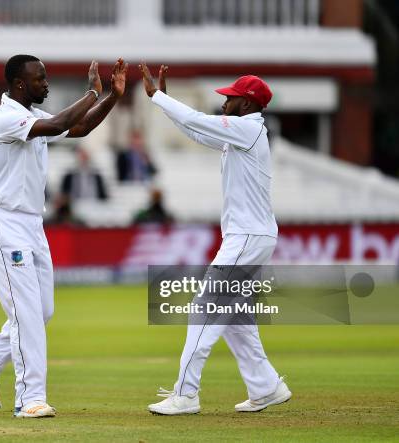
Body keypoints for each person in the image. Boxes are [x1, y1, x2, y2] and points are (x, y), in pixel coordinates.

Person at [0, 55, 127, 418]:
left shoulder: (33, 117)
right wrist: (90, 93)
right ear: (19, 84)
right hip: (3, 221)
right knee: (26, 314)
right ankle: (29, 398)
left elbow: (78, 128)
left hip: (31, 224)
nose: (46, 84)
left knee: (42, 311)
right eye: (40, 79)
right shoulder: (4, 117)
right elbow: (57, 125)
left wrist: (111, 97)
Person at [139, 64, 291, 415]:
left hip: (246, 237)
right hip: (251, 235)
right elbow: (195, 130)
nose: (224, 102)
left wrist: (157, 95)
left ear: (248, 105)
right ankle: (265, 386)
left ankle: (186, 393)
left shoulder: (248, 130)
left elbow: (196, 120)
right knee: (235, 318)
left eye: (231, 98)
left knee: (204, 308)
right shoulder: (241, 132)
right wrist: (164, 102)